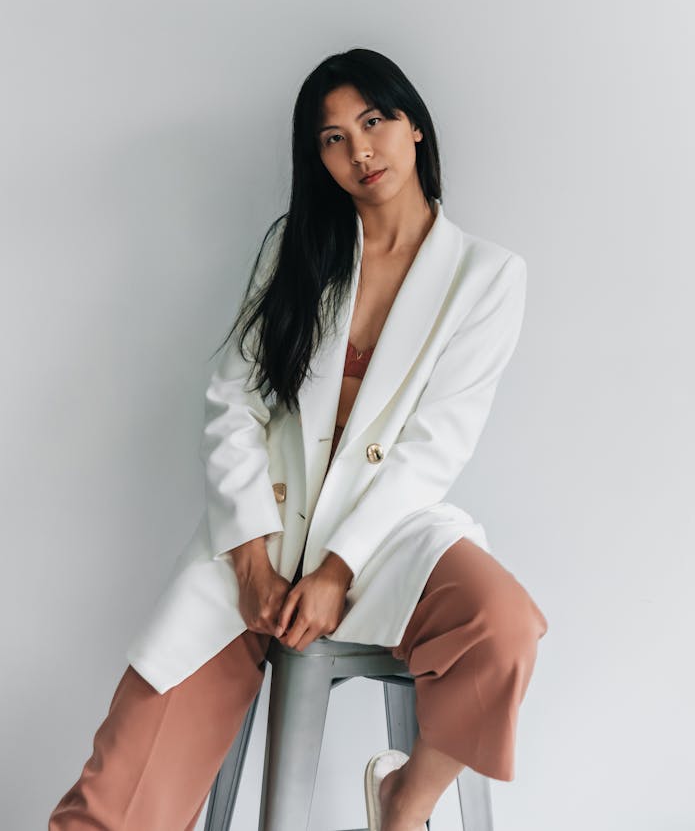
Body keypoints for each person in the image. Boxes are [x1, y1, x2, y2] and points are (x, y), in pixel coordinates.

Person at [49, 48, 548, 831]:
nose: (360, 151)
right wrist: (251, 558)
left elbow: (433, 448)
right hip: (262, 542)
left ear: (414, 124)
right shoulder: (300, 249)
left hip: (387, 543)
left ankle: (403, 803)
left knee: (504, 627)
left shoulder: (488, 277)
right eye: (332, 138)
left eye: (374, 122)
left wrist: (340, 567)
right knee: (109, 805)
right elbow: (230, 401)